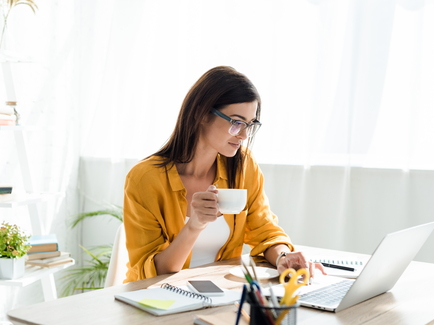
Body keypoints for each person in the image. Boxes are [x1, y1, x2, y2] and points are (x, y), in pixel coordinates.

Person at [123, 66, 325, 282]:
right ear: (201, 113)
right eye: (236, 123)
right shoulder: (145, 179)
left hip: (221, 294)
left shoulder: (243, 165)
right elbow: (154, 272)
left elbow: (264, 230)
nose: (244, 135)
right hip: (158, 299)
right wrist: (194, 226)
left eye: (250, 125)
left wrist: (283, 257)